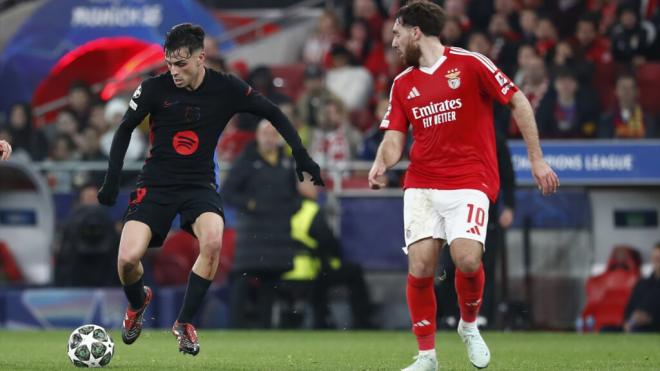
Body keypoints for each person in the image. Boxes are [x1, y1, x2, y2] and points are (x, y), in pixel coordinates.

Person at [97, 23, 323, 356]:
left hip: (199, 184)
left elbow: (273, 112)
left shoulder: (226, 88)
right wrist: (112, 180)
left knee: (213, 241)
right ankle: (137, 303)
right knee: (128, 259)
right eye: (169, 63)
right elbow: (124, 129)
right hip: (156, 185)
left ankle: (184, 322)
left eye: (182, 63)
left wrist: (301, 154)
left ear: (202, 57)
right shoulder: (153, 89)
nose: (174, 71)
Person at [367, 2, 559, 370]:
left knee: (468, 258)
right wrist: (381, 162)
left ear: (416, 32)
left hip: (471, 178)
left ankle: (468, 325)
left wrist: (536, 158)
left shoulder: (471, 64)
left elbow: (517, 100)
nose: (392, 42)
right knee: (421, 267)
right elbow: (394, 140)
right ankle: (427, 357)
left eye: (396, 33)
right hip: (422, 181)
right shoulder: (402, 84)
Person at [624, 242, 660, 332]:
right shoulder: (641, 284)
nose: (657, 262)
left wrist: (650, 319)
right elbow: (629, 309)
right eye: (655, 258)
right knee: (605, 329)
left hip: (654, 328)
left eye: (659, 259)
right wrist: (630, 319)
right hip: (635, 327)